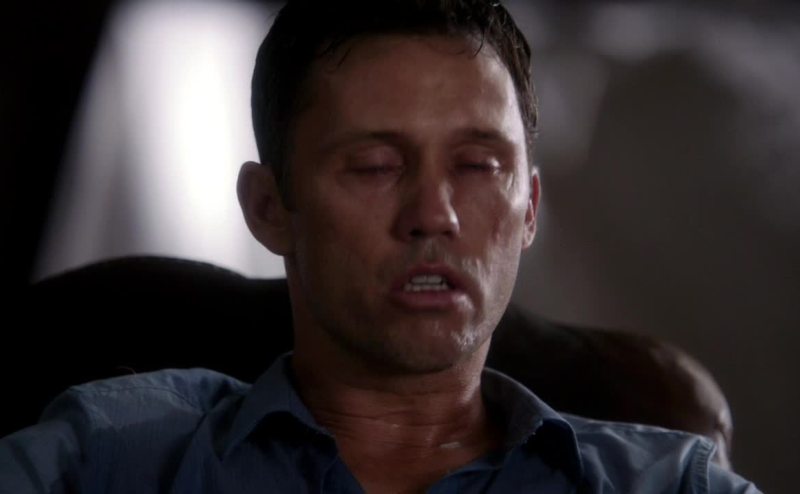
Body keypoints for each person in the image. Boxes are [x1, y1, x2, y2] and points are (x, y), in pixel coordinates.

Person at [0, 1, 760, 492]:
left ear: (529, 208)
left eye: (477, 166)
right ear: (268, 207)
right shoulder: (111, 456)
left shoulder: (665, 483)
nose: (434, 215)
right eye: (373, 166)